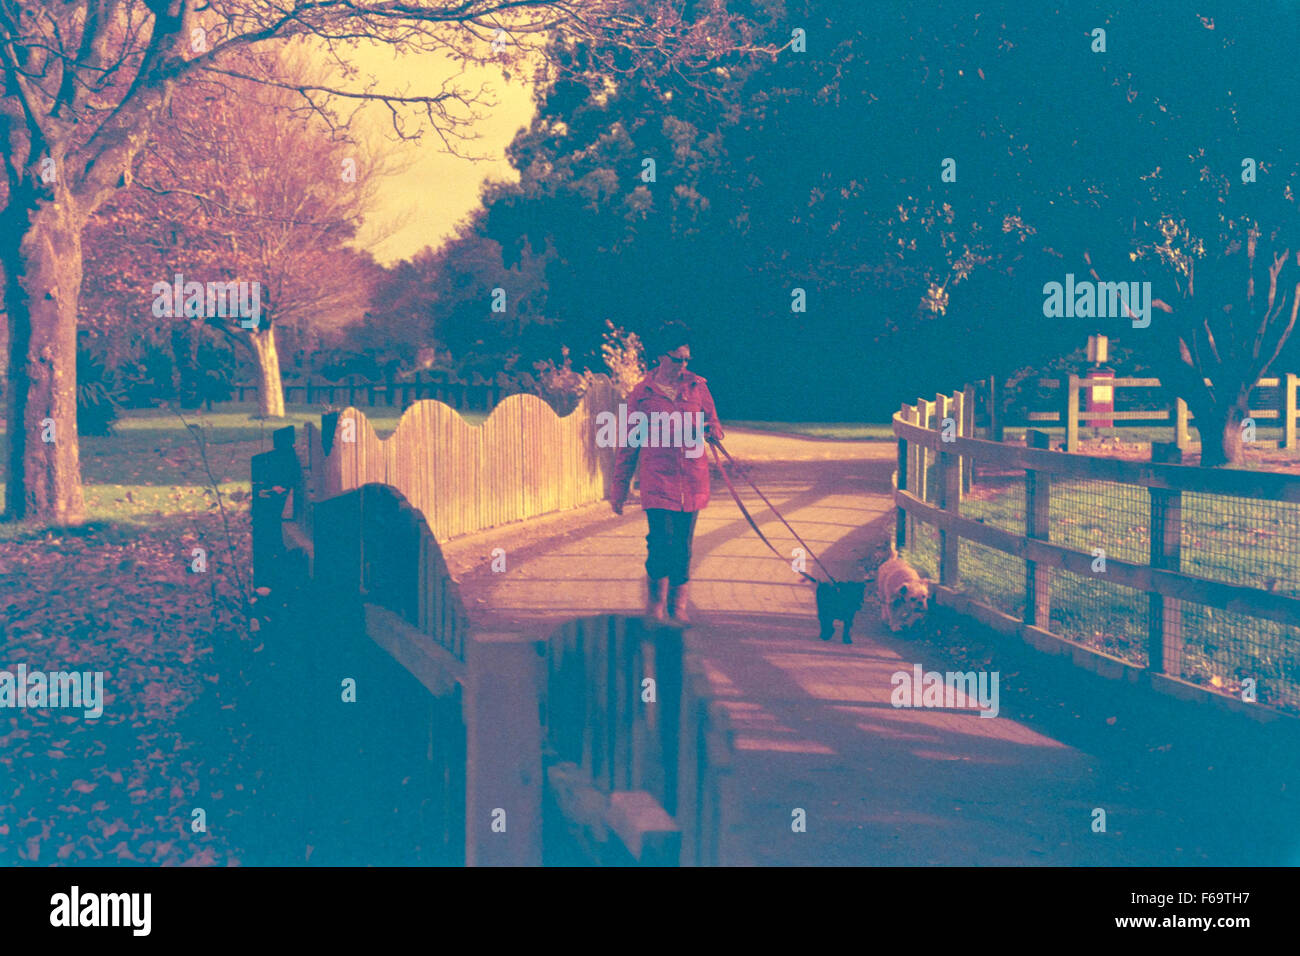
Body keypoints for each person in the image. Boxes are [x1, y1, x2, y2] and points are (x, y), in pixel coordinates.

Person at [610, 321, 724, 625]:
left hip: (693, 480)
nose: (683, 365)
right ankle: (655, 605)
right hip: (657, 480)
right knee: (661, 541)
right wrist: (620, 488)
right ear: (662, 357)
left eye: (687, 359)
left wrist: (712, 429)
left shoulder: (697, 386)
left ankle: (678, 607)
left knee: (683, 546)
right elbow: (629, 442)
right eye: (677, 359)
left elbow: (714, 422)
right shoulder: (642, 394)